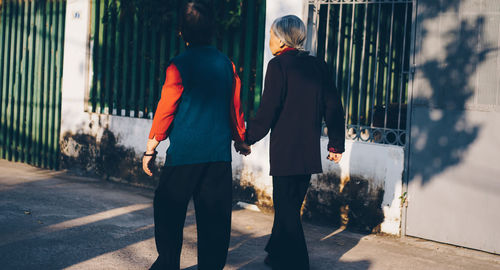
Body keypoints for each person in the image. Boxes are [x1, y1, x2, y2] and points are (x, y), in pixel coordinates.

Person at [142, 1, 249, 269]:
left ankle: (167, 263)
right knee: (215, 222)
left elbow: (166, 110)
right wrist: (240, 139)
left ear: (181, 32)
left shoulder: (179, 65)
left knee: (168, 211)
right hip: (217, 158)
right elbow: (234, 108)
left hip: (184, 156)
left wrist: (151, 148)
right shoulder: (227, 64)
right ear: (212, 31)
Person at [244, 15, 345, 270]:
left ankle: (299, 263)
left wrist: (247, 138)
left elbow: (269, 110)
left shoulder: (278, 66)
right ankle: (275, 253)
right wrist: (335, 144)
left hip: (285, 153)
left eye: (270, 34)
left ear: (280, 39)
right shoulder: (318, 66)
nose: (269, 40)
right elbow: (332, 105)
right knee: (289, 207)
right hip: (308, 153)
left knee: (287, 211)